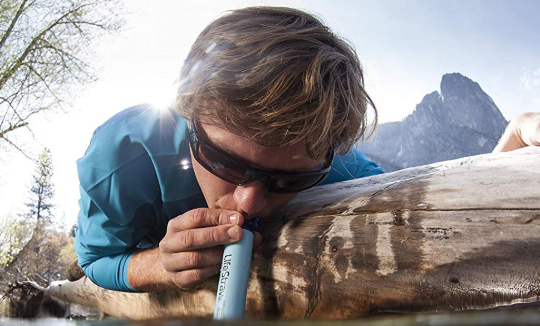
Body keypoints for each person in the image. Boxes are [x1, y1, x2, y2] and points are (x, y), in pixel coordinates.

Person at [74, 6, 540, 294]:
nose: (249, 202)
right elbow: (97, 260)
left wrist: (508, 156)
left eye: (288, 181)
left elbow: (418, 205)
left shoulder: (329, 161)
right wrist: (160, 264)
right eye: (223, 162)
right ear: (187, 110)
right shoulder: (122, 155)